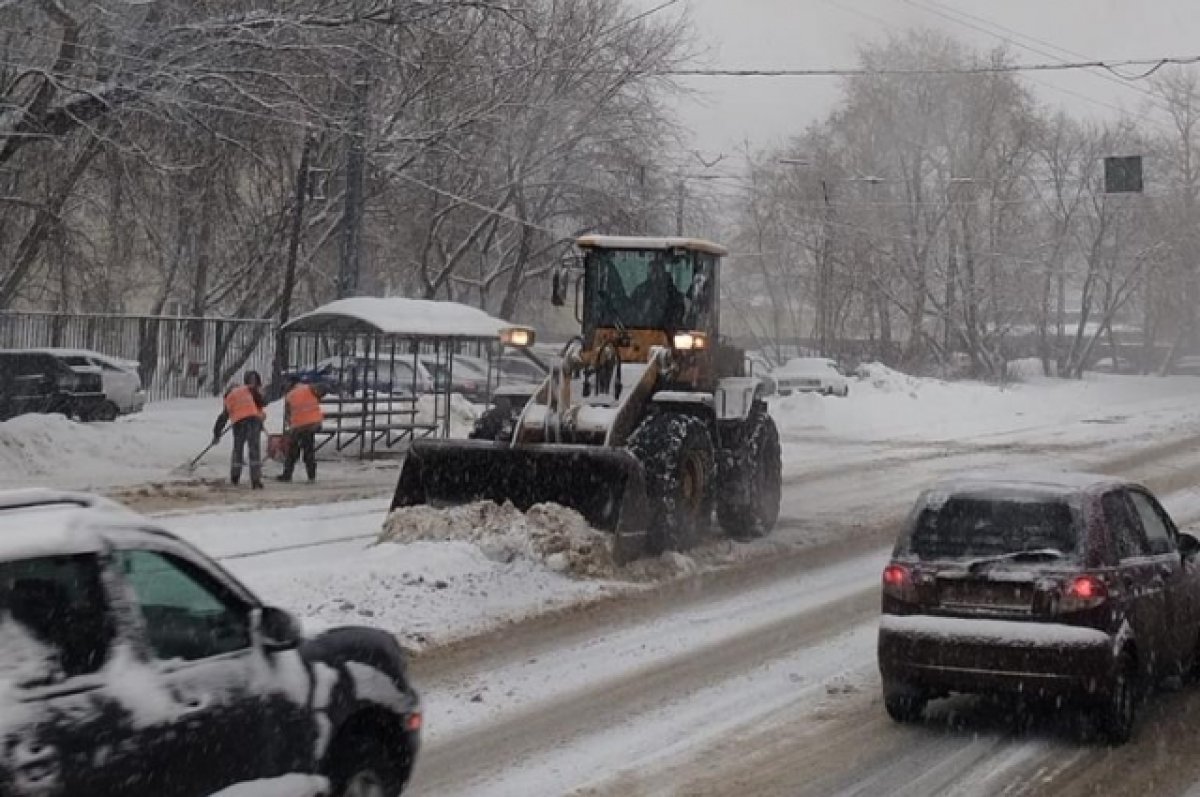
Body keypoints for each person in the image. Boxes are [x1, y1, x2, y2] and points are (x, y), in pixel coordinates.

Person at [213, 370, 266, 489]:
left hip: (238, 423)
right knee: (254, 450)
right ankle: (256, 481)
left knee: (238, 449)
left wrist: (217, 434)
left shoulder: (228, 398)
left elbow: (222, 418)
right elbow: (261, 403)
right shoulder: (246, 390)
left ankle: (235, 477)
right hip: (253, 420)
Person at [278, 377, 324, 483]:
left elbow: (288, 415)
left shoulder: (289, 396)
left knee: (292, 451)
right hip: (313, 423)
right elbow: (321, 391)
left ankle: (287, 474)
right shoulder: (309, 388)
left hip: (299, 426)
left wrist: (290, 428)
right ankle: (311, 476)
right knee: (309, 450)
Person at [628, 257, 684, 329]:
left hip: (667, 331)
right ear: (648, 273)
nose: (655, 275)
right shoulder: (640, 291)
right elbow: (631, 312)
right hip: (642, 330)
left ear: (663, 272)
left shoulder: (672, 292)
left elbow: (679, 311)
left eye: (657, 271)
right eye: (652, 272)